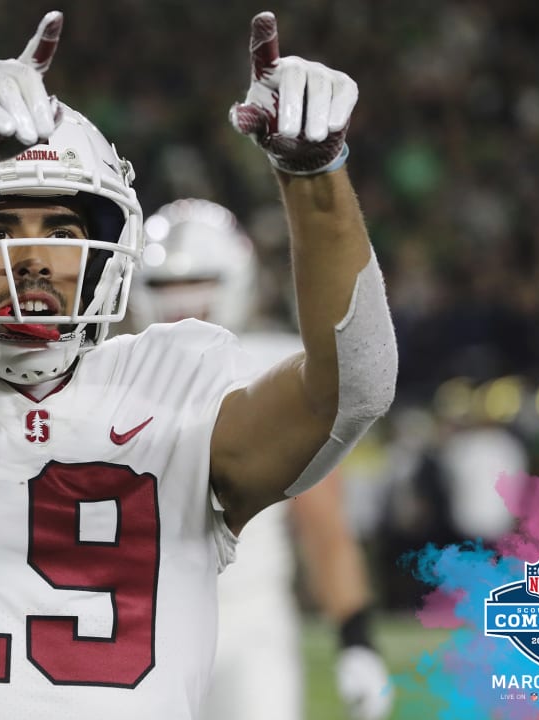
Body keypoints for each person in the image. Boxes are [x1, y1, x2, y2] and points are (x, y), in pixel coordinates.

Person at [0, 10, 396, 719]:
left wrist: (315, 179)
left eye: (62, 229)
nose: (33, 255)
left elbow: (352, 391)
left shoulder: (176, 380)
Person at [134, 198, 392, 720]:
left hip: (248, 627)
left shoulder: (274, 368)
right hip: (139, 633)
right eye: (165, 285)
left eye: (200, 280)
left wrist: (356, 635)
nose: (182, 298)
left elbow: (322, 523)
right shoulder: (112, 370)